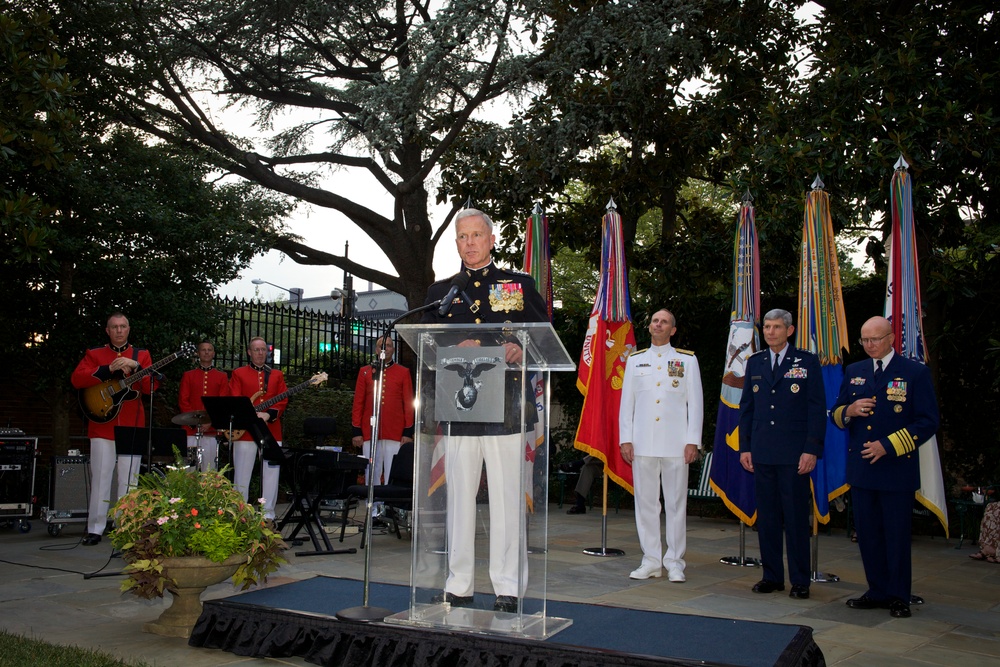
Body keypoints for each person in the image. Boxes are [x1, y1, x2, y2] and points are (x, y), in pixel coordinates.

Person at [421, 208, 548, 613]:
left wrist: (519, 347)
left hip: (507, 407)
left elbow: (543, 337)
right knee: (459, 498)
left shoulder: (518, 285)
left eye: (477, 235)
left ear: (491, 240)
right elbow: (426, 346)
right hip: (459, 408)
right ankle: (458, 585)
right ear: (456, 242)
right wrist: (449, 350)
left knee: (508, 499)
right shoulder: (440, 292)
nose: (470, 243)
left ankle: (507, 587)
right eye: (463, 237)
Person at [831, 315, 940, 618]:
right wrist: (849, 410)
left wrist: (888, 446)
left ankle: (898, 596)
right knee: (868, 535)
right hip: (863, 469)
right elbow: (836, 413)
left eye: (875, 339)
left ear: (891, 338)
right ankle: (876, 590)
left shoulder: (914, 373)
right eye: (865, 340)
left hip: (895, 469)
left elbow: (928, 421)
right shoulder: (855, 370)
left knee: (896, 535)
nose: (869, 345)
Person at [738, 308, 825, 599]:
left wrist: (811, 449)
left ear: (790, 330)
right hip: (762, 452)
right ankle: (772, 575)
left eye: (776, 327)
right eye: (767, 328)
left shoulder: (807, 361)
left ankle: (800, 580)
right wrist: (745, 447)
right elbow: (747, 408)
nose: (770, 332)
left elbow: (816, 409)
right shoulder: (756, 362)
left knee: (796, 519)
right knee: (768, 518)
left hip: (793, 454)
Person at [619, 309, 704, 583]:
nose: (658, 324)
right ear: (649, 326)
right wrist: (626, 438)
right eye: (655, 320)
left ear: (673, 330)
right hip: (643, 443)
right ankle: (651, 560)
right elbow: (627, 404)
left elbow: (696, 403)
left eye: (664, 321)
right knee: (645, 504)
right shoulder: (635, 360)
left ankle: (675, 561)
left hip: (676, 444)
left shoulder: (686, 361)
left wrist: (693, 440)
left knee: (676, 504)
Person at [71, 312, 156, 545]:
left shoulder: (142, 355)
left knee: (130, 480)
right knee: (100, 477)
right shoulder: (95, 354)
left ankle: (125, 527)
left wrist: (136, 366)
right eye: (114, 327)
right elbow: (78, 379)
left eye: (123, 326)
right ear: (107, 331)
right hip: (102, 425)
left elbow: (151, 388)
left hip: (132, 424)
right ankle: (95, 528)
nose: (119, 331)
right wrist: (108, 369)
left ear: (129, 329)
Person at [229, 336, 288, 521]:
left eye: (263, 349)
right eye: (257, 349)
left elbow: (283, 399)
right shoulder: (238, 373)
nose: (261, 353)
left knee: (271, 474)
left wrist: (269, 414)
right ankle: (240, 512)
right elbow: (235, 399)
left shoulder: (277, 375)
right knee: (242, 474)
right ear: (249, 352)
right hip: (246, 432)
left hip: (271, 429)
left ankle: (268, 514)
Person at [352, 334, 415, 484]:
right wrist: (356, 431)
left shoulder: (403, 372)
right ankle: (372, 506)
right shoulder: (365, 372)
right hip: (370, 430)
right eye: (381, 345)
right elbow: (358, 403)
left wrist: (407, 431)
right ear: (375, 349)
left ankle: (387, 505)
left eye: (388, 345)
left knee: (392, 472)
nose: (384, 348)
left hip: (395, 431)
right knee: (371, 470)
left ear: (393, 349)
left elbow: (408, 403)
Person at [178, 340, 229, 471]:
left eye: (209, 350)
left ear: (213, 354)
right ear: (198, 353)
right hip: (191, 429)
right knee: (189, 471)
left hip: (211, 430)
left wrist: (210, 421)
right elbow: (183, 400)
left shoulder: (221, 377)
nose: (206, 352)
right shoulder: (188, 375)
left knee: (209, 470)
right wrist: (196, 422)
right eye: (203, 350)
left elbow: (222, 403)